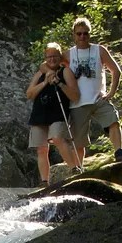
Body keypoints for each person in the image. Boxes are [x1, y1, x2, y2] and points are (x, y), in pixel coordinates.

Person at [67, 17, 122, 166]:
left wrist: (111, 93)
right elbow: (50, 64)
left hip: (98, 99)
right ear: (74, 35)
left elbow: (116, 71)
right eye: (79, 33)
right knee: (79, 141)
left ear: (90, 34)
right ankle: (78, 171)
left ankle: (119, 153)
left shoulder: (99, 50)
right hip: (77, 103)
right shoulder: (68, 54)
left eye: (85, 33)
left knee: (113, 121)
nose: (82, 37)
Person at [25, 41, 81, 183]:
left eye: (55, 56)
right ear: (45, 57)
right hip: (39, 114)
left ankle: (74, 169)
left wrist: (59, 83)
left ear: (60, 56)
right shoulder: (40, 74)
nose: (52, 59)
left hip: (58, 113)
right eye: (49, 56)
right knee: (41, 149)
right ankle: (44, 182)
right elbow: (29, 94)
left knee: (57, 138)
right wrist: (44, 83)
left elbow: (75, 95)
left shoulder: (65, 72)